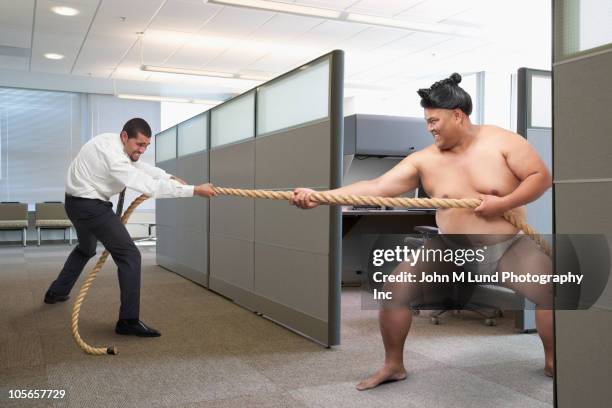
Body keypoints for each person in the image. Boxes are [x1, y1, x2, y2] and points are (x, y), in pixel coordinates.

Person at [290, 73, 554, 389]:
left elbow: (540, 177)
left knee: (551, 294)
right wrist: (320, 197)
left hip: (508, 245)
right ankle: (393, 366)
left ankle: (553, 361)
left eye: (434, 120)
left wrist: (504, 203)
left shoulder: (503, 141)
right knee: (393, 294)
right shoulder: (424, 160)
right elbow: (376, 187)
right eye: (427, 121)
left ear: (458, 115)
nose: (430, 128)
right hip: (449, 245)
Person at [44, 118, 216, 337]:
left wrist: (167, 176)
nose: (142, 150)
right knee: (130, 256)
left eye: (146, 145)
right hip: (90, 206)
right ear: (125, 136)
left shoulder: (111, 142)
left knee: (85, 249)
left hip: (75, 204)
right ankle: (128, 321)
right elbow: (145, 184)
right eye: (139, 144)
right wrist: (193, 190)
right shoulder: (112, 154)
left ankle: (56, 292)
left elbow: (139, 166)